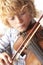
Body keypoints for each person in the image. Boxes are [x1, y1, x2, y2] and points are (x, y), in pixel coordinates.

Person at [0, 0, 43, 65]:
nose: (19, 21)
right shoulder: (11, 32)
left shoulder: (40, 29)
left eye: (22, 13)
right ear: (7, 21)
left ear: (30, 10)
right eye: (12, 18)